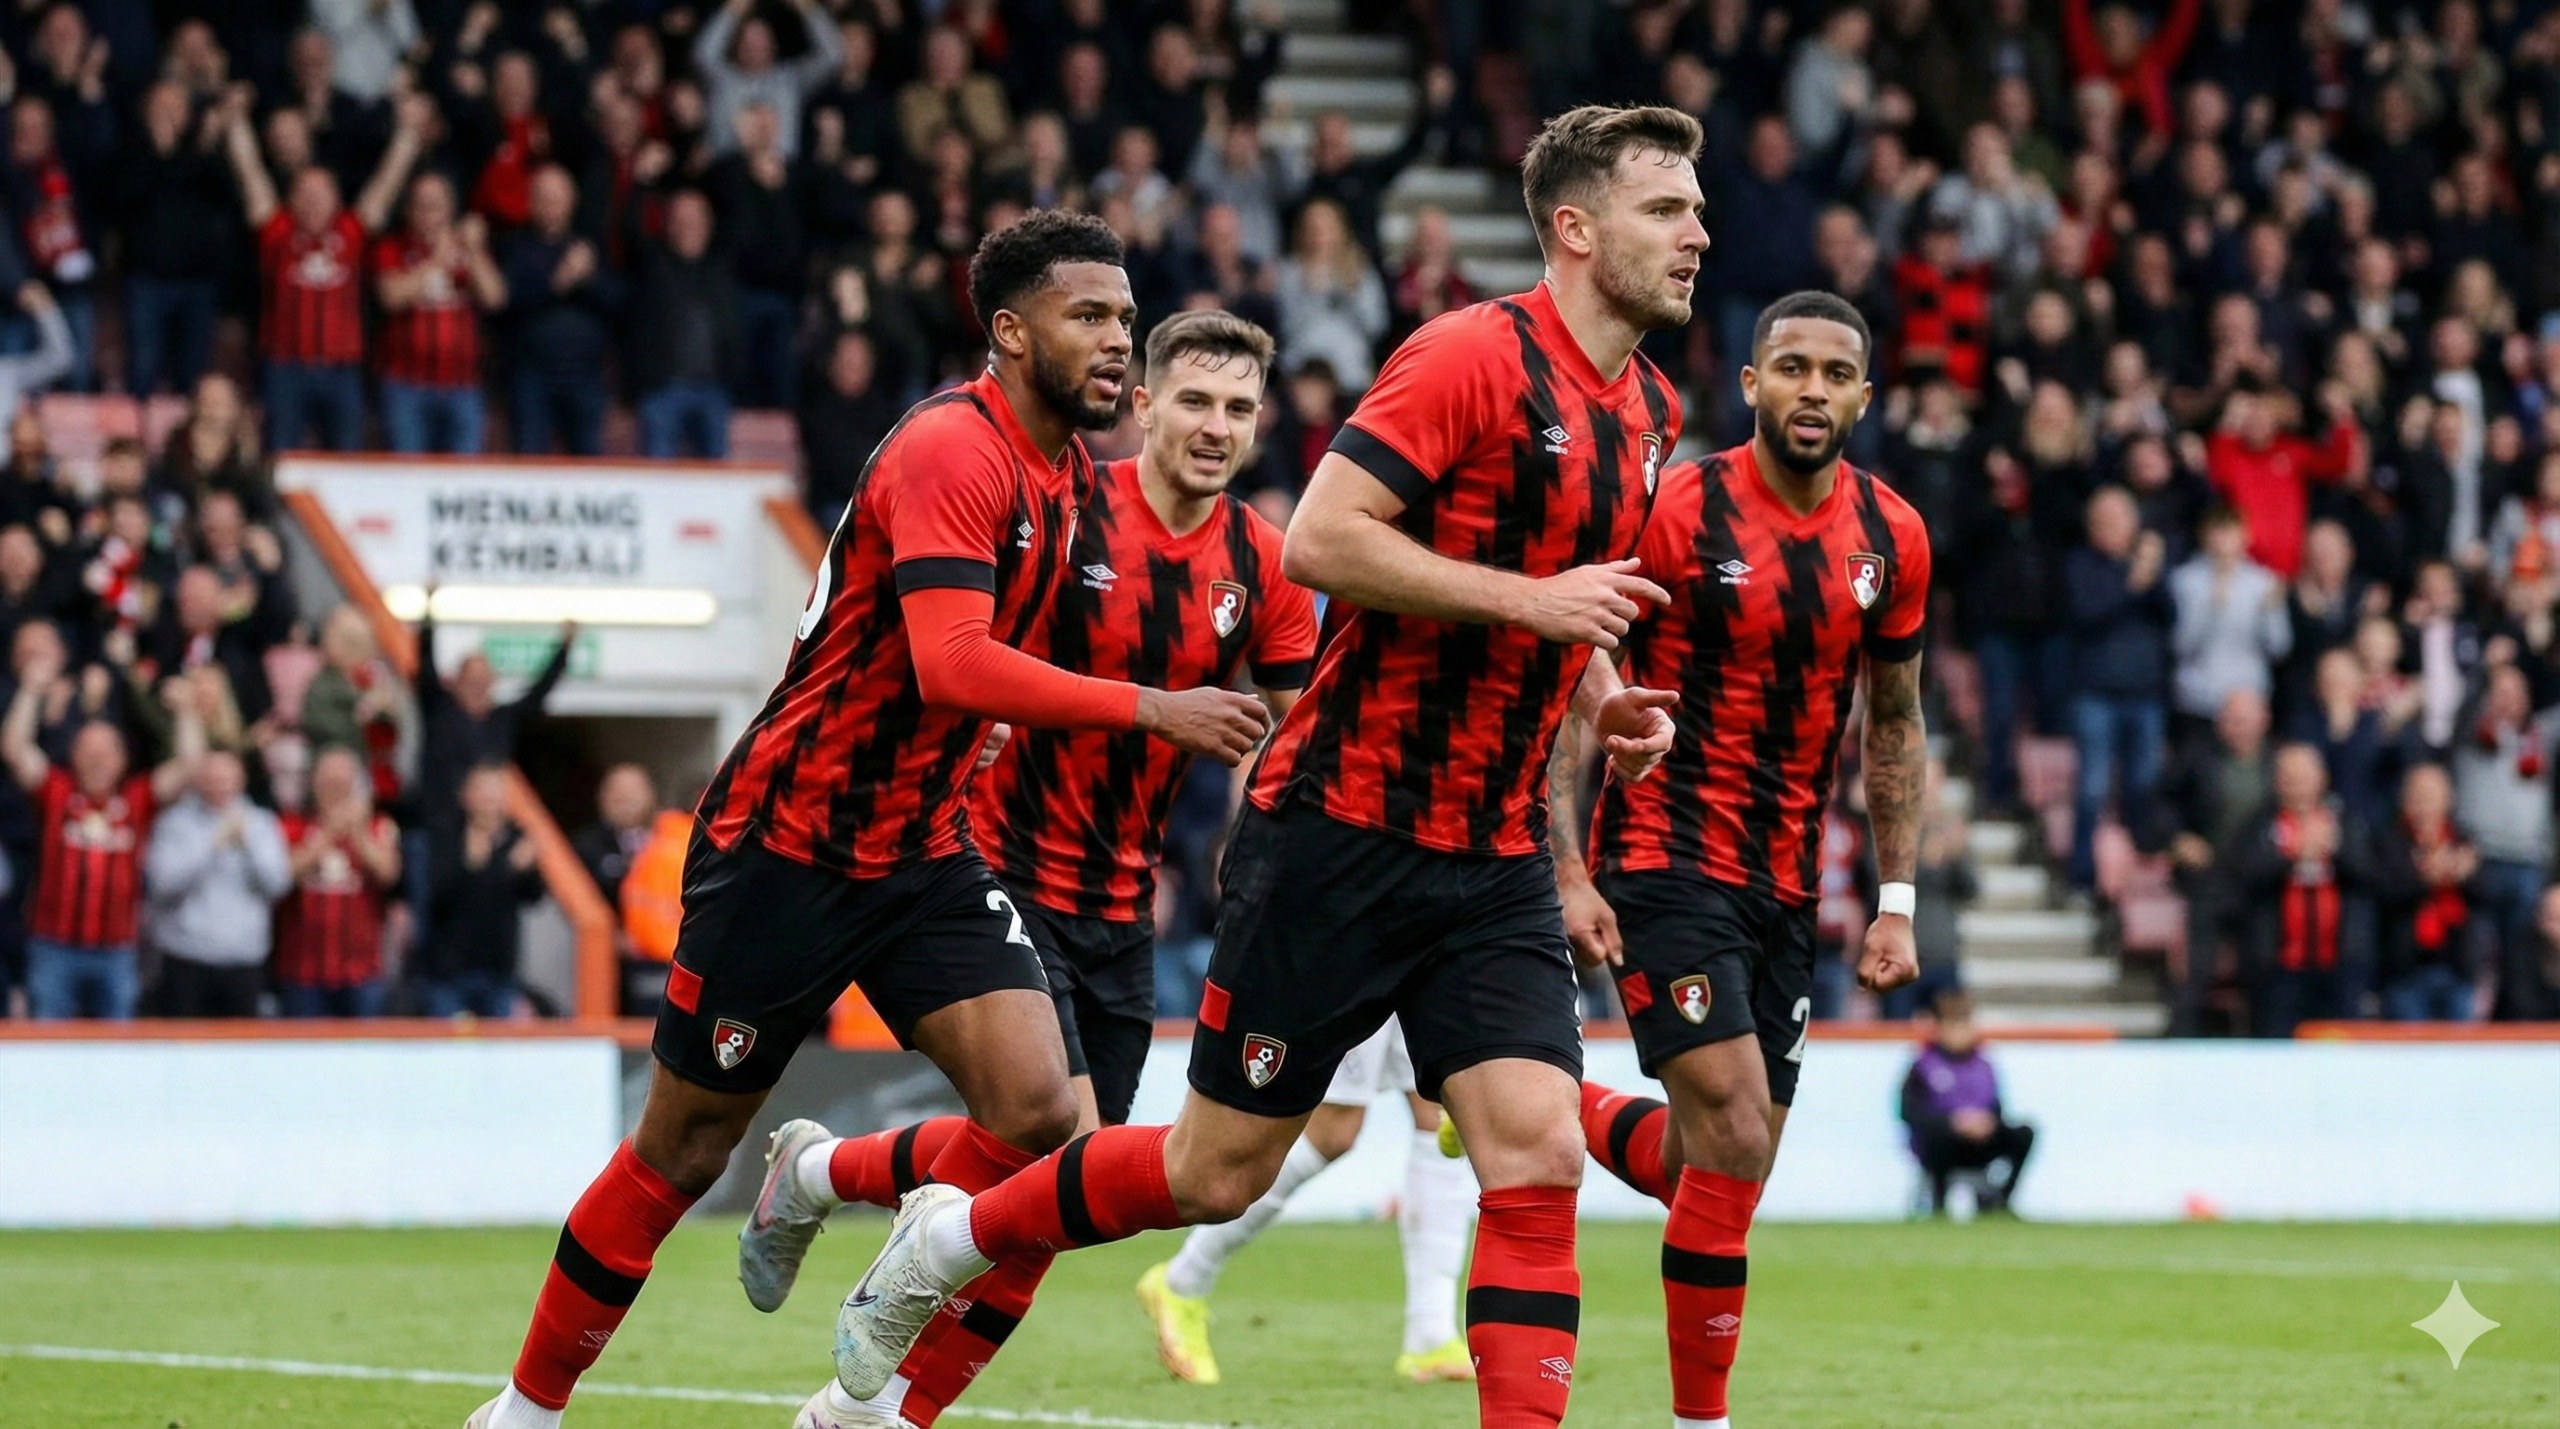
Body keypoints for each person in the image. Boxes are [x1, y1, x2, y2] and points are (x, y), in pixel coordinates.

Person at [828, 103, 1696, 1429]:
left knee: (1538, 1153)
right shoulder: (1466, 357)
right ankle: (945, 1241)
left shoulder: (1650, 408)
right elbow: (1325, 542)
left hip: (1495, 846)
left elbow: (1557, 587)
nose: (1697, 232)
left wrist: (1608, 689)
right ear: (1575, 230)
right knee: (1215, 1169)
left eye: (1694, 210)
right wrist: (1535, 610)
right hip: (1345, 828)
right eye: (1664, 210)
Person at [464, 211, 1270, 1429]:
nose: (1118, 342)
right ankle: (522, 1413)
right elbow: (951, 662)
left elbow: (966, 673)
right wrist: (1151, 706)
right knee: (678, 1153)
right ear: (1009, 331)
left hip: (922, 847)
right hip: (787, 846)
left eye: (1121, 317)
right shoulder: (955, 448)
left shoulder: (1057, 472)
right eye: (1090, 318)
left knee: (1043, 1113)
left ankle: (873, 1290)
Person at [736, 311, 1331, 1419]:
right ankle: (864, 1362)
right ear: (1144, 404)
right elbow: (959, 643)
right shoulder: (1067, 508)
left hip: (1120, 902)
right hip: (993, 861)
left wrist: (1272, 853)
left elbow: (1296, 740)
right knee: (1051, 1135)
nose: (1215, 427)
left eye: (1239, 409)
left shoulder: (1261, 563)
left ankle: (829, 1220)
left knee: (1060, 1196)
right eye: (1194, 401)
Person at [1564, 289, 1929, 1429]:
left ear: (1863, 397)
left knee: (1720, 1164)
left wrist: (1895, 898)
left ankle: (1539, 1103)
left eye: (1834, 373)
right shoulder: (1675, 507)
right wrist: (1568, 861)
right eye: (1792, 368)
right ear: (1753, 384)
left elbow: (1896, 721)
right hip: (1661, 853)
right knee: (1728, 1128)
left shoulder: (1892, 536)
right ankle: (1700, 1424)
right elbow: (1570, 655)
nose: (1811, 390)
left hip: (1786, 880)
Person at [3, 660, 204, 1020]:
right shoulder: (56, 793)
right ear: (74, 757)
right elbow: (16, 749)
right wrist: (31, 691)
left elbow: (190, 767)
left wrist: (188, 713)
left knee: (119, 1053)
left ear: (123, 760)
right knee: (49, 1048)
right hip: (54, 947)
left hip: (117, 950)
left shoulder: (136, 800)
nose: (98, 761)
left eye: (106, 752)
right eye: (89, 752)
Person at [2144, 689, 2276, 1035]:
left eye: (2245, 720)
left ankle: (2264, 1043)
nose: (2238, 728)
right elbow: (2159, 804)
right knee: (2196, 971)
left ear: (2264, 721)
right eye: (2231, 720)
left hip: (2262, 882)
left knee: (2264, 969)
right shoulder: (2198, 757)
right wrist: (2178, 838)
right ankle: (2182, 1041)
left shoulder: (2278, 761)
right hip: (2210, 877)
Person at [2062, 485, 2171, 892]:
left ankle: (2136, 878)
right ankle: (2082, 876)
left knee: (2144, 787)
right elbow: (2088, 614)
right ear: (2091, 528)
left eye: (2119, 520)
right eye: (2103, 521)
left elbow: (2170, 615)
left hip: (2146, 695)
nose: (2112, 529)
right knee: (2091, 788)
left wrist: (2150, 578)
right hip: (2097, 693)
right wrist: (2133, 581)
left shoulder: (2151, 566)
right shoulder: (2081, 565)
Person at [143, 746, 293, 1017]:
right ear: (199, 779)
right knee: (183, 1053)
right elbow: (161, 885)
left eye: (226, 778)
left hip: (243, 961)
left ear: (241, 780)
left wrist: (248, 846)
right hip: (186, 959)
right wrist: (211, 847)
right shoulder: (175, 823)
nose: (218, 786)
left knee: (241, 1054)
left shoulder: (261, 823)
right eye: (212, 778)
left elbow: (278, 884)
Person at [2236, 743, 2372, 1037]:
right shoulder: (2259, 825)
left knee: (2339, 1055)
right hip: (2278, 968)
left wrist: (2334, 850)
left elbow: (2372, 875)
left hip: (2340, 966)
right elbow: (2243, 879)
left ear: (2321, 778)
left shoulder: (2346, 822)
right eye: (2288, 778)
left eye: (2302, 777)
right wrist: (2292, 856)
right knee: (2278, 1055)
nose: (2295, 786)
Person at [372, 172, 507, 454]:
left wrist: (473, 250)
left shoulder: (467, 251)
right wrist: (438, 259)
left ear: (450, 209)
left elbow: (495, 297)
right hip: (406, 385)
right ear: (408, 210)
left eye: (435, 206)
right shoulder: (393, 248)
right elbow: (392, 297)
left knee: (462, 477)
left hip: (462, 385)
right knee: (407, 476)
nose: (427, 214)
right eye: (420, 206)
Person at [274, 745, 402, 1018]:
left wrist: (358, 834)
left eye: (342, 784)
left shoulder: (378, 827)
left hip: (361, 971)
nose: (335, 790)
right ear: (314, 784)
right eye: (328, 782)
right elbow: (281, 876)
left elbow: (388, 874)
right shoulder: (292, 826)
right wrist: (326, 835)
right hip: (303, 970)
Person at [1899, 992, 2035, 1214]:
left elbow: (1996, 1106)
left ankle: (2002, 1200)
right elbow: (1909, 1113)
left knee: (2024, 1132)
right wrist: (1952, 1123)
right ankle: (1939, 1204)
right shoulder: (1922, 1066)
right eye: (1955, 1026)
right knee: (1937, 1138)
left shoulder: (1984, 1065)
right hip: (1941, 1144)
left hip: (1978, 1142)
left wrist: (1986, 1123)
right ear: (1941, 1029)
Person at [2370, 762, 2479, 1023]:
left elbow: (2485, 896)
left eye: (2431, 796)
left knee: (2460, 1055)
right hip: (2405, 970)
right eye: (2417, 796)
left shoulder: (2462, 840)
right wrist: (2425, 878)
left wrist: (2466, 877)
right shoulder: (2389, 841)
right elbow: (2383, 895)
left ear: (2448, 799)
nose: (2423, 804)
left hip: (2456, 967)